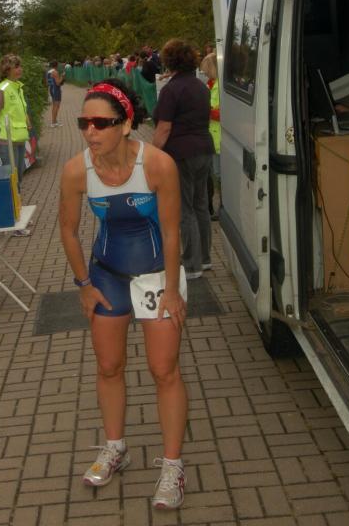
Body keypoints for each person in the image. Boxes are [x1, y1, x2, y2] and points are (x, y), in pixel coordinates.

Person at [59, 79, 188, 510]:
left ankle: (172, 466)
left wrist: (173, 290)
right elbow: (67, 230)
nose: (90, 132)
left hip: (156, 277)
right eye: (84, 123)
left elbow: (172, 233)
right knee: (109, 365)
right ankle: (116, 447)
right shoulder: (77, 170)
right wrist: (83, 285)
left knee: (163, 370)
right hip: (108, 275)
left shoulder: (158, 165)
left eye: (101, 123)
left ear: (126, 124)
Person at [152, 39, 213, 279]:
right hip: (204, 149)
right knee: (201, 205)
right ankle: (205, 258)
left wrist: (152, 154)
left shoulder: (171, 90)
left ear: (169, 61)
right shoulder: (201, 86)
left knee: (184, 209)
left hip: (181, 153)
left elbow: (164, 127)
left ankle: (191, 265)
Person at [0, 54, 32, 236]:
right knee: (11, 182)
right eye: (16, 66)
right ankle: (12, 222)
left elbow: (20, 110)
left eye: (20, 66)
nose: (20, 69)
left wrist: (28, 121)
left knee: (18, 179)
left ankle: (17, 214)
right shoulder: (3, 89)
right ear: (7, 69)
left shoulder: (18, 87)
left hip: (19, 139)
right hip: (7, 142)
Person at [200, 53, 221, 220]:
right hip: (212, 137)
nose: (204, 72)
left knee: (220, 175)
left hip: (219, 137)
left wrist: (205, 110)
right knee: (216, 174)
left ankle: (224, 208)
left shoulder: (219, 86)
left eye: (206, 69)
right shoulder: (211, 85)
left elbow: (223, 112)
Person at [47, 60, 65, 127]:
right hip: (56, 90)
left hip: (51, 89)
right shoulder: (55, 72)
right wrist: (62, 76)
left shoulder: (48, 72)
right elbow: (58, 83)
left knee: (54, 106)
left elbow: (47, 82)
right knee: (56, 106)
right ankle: (53, 122)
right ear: (56, 65)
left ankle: (54, 121)